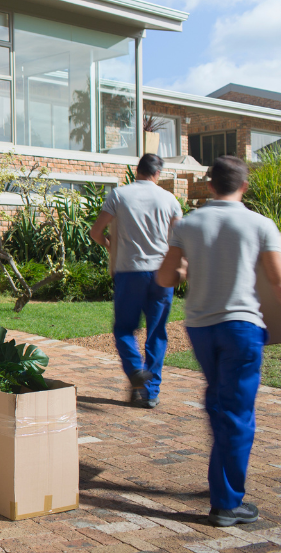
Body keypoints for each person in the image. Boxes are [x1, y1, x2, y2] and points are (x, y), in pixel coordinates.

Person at [156, 155, 281, 527]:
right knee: (236, 414)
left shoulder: (187, 224)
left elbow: (166, 279)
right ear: (244, 186)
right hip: (240, 328)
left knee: (222, 404)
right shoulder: (259, 224)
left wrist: (186, 268)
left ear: (209, 185)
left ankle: (222, 481)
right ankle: (226, 504)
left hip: (200, 329)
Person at [90, 154, 183, 409]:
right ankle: (150, 393)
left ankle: (135, 372)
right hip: (161, 273)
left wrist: (108, 245)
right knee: (157, 332)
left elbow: (95, 232)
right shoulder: (169, 199)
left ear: (137, 170)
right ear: (157, 173)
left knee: (124, 329)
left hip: (129, 272)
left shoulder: (119, 195)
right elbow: (180, 238)